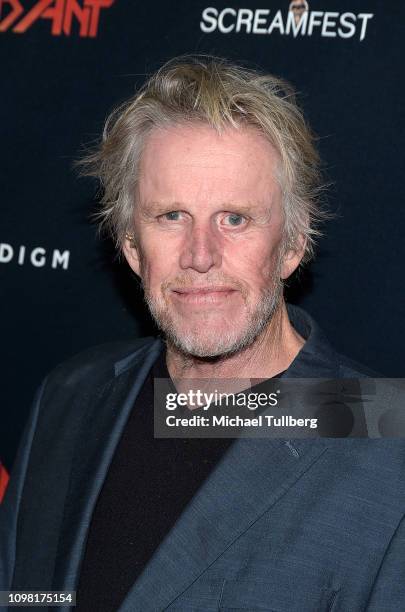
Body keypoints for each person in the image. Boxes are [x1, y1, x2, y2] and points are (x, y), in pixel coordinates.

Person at [1, 55, 405, 612]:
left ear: (292, 244)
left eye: (234, 218)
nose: (200, 256)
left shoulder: (388, 447)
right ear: (130, 246)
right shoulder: (70, 397)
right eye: (171, 216)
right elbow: (26, 598)